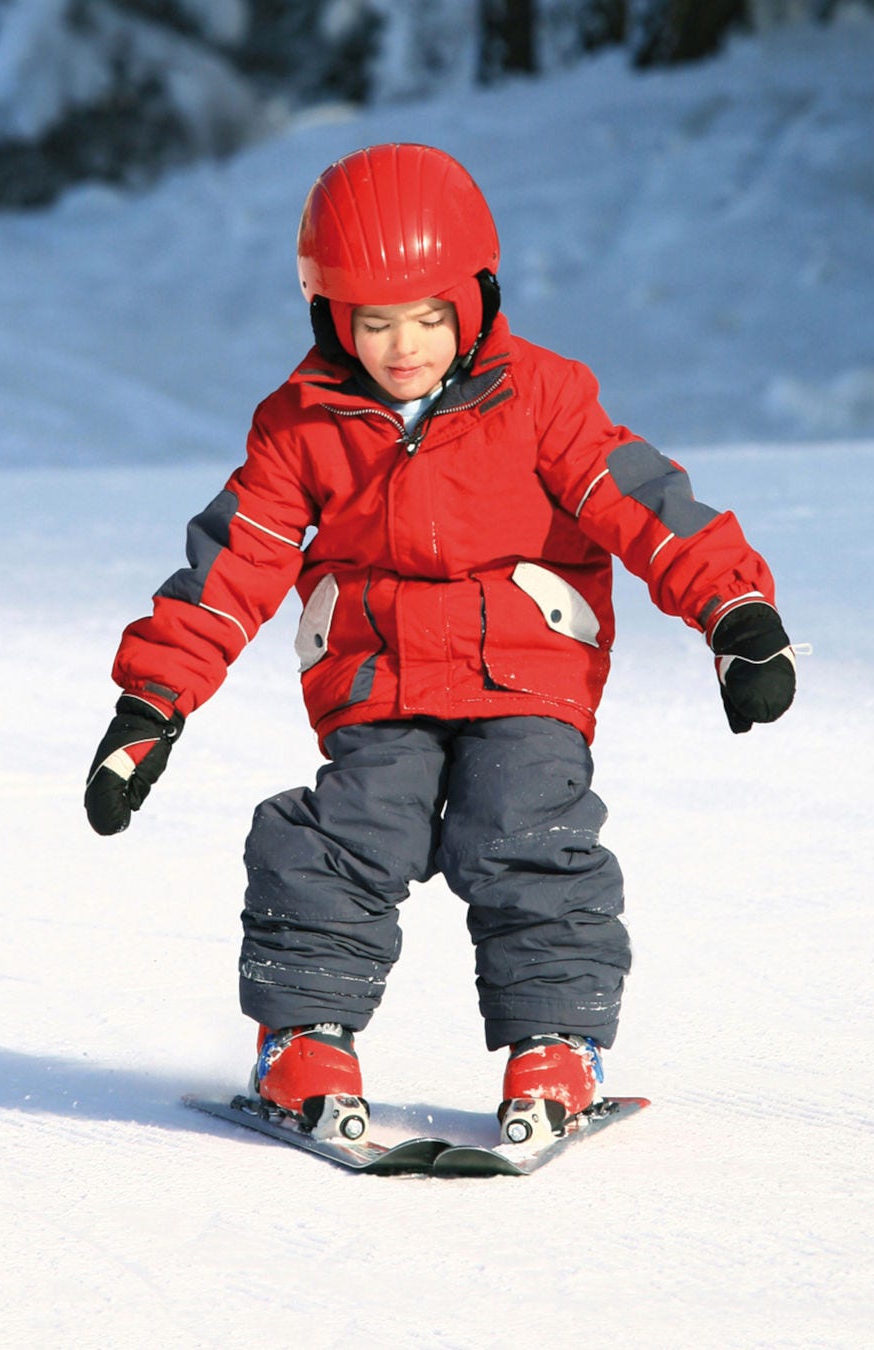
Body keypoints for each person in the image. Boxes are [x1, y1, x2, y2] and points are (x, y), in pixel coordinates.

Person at [86, 143, 797, 1144]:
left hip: (524, 674)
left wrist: (736, 616)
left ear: (476, 298)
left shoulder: (540, 399)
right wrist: (148, 707)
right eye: (373, 323)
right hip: (377, 679)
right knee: (345, 833)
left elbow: (642, 502)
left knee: (523, 832)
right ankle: (302, 1040)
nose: (404, 346)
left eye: (428, 317)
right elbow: (231, 566)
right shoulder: (301, 428)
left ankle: (556, 1046)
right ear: (328, 316)